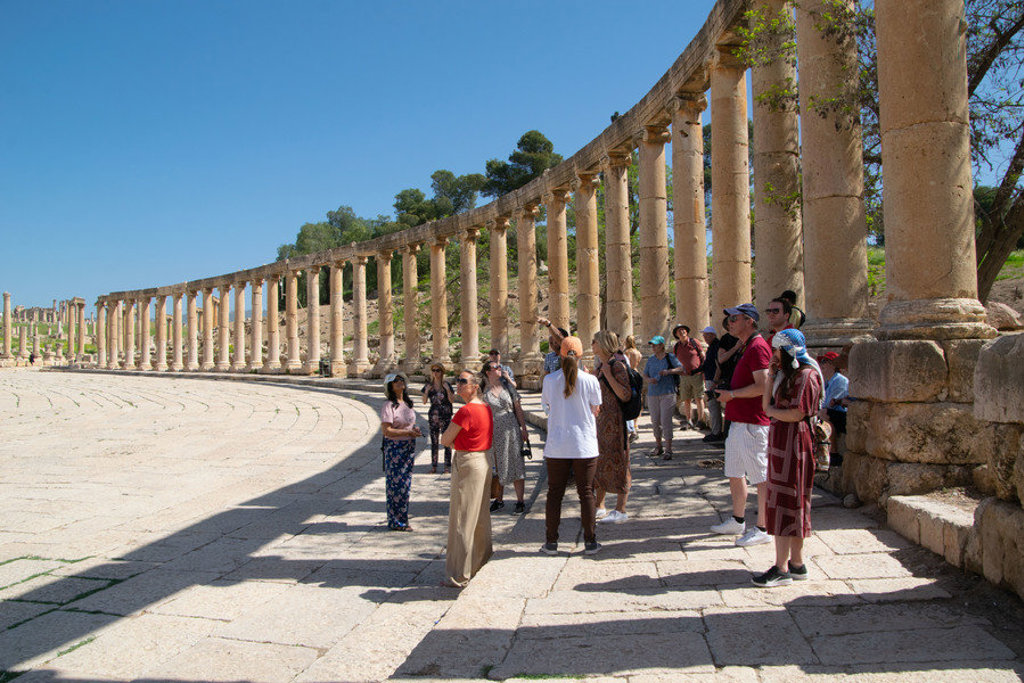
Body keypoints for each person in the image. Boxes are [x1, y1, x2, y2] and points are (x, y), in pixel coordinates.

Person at [753, 328, 824, 587]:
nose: (773, 354)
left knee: (790, 500)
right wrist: (771, 376)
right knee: (785, 499)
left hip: (795, 442)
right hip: (782, 441)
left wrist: (772, 410)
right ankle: (796, 564)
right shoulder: (788, 375)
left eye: (777, 350)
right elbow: (766, 406)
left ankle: (783, 567)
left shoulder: (807, 376)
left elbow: (796, 413)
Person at [711, 304, 773, 547]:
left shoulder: (757, 347)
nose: (730, 323)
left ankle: (764, 527)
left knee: (761, 476)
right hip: (738, 422)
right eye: (729, 320)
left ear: (749, 320)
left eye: (734, 319)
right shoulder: (747, 346)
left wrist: (732, 395)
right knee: (735, 473)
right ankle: (738, 520)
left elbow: (763, 385)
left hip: (752, 424)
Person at [540, 336, 603, 555]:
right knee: (586, 493)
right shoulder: (591, 380)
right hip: (584, 443)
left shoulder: (549, 380)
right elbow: (596, 408)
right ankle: (590, 540)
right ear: (581, 355)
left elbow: (547, 407)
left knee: (554, 493)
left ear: (560, 354)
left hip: (557, 444)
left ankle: (551, 541)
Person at [440, 370, 494, 587]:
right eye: (458, 381)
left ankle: (459, 574)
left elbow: (445, 439)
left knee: (463, 517)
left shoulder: (465, 411)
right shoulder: (486, 408)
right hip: (484, 460)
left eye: (463, 381)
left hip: (467, 462)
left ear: (475, 386)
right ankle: (480, 562)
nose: (458, 384)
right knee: (480, 516)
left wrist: (459, 446)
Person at [592, 330, 633, 524]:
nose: (592, 344)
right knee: (600, 463)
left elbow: (625, 394)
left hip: (615, 423)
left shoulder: (616, 366)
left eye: (595, 342)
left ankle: (621, 509)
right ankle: (599, 506)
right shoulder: (602, 365)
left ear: (603, 344)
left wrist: (607, 375)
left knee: (620, 462)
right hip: (601, 423)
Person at [481, 361, 530, 514]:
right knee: (498, 464)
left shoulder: (508, 386)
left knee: (516, 462)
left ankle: (520, 501)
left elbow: (518, 408)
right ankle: (499, 499)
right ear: (488, 372)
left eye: (499, 367)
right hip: (494, 431)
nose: (500, 369)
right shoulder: (483, 390)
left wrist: (524, 428)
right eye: (496, 367)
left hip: (511, 427)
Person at [380, 373, 422, 532]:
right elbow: (387, 431)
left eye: (401, 380)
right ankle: (396, 522)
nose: (399, 382)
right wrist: (407, 433)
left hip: (408, 448)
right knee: (395, 486)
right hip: (395, 449)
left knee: (405, 485)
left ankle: (402, 519)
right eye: (395, 381)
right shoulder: (388, 405)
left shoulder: (407, 404)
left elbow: (409, 424)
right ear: (390, 386)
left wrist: (414, 430)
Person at [643, 335, 683, 460]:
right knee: (655, 421)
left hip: (668, 392)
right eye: (652, 345)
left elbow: (681, 369)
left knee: (666, 421)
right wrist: (649, 379)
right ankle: (658, 446)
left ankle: (669, 449)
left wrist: (669, 372)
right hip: (653, 393)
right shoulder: (650, 360)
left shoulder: (670, 358)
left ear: (661, 345)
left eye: (655, 345)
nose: (653, 347)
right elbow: (645, 374)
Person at [421, 364, 455, 474]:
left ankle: (447, 466)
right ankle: (434, 466)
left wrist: (448, 391)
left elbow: (452, 400)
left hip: (445, 416)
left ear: (442, 372)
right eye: (433, 370)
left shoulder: (446, 385)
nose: (435, 373)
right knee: (434, 441)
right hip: (433, 416)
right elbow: (424, 401)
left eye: (438, 370)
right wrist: (426, 391)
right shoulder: (429, 385)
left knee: (447, 441)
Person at [818, 351, 849, 467]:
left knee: (823, 413)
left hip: (842, 416)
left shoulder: (839, 380)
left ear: (833, 364)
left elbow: (827, 404)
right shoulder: (828, 382)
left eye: (824, 362)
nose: (821, 365)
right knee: (823, 416)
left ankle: (834, 452)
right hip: (834, 413)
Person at [672, 324, 706, 430]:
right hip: (684, 376)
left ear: (686, 332)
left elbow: (702, 356)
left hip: (697, 375)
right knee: (686, 399)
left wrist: (703, 370)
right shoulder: (677, 346)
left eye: (683, 330)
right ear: (677, 334)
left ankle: (700, 420)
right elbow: (675, 360)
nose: (682, 332)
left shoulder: (694, 342)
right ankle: (689, 420)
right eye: (679, 331)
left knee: (699, 398)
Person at [700, 325, 725, 443]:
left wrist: (715, 380)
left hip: (714, 380)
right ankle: (716, 431)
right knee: (713, 406)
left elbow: (718, 364)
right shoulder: (712, 347)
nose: (704, 338)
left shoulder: (716, 347)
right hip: (711, 379)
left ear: (713, 335)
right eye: (704, 336)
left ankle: (716, 432)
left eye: (706, 335)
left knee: (713, 406)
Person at [622, 335, 643, 443]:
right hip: (637, 372)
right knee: (638, 399)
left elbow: (626, 365)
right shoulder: (638, 352)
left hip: (630, 374)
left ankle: (632, 426)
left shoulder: (627, 353)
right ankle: (635, 424)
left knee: (631, 400)